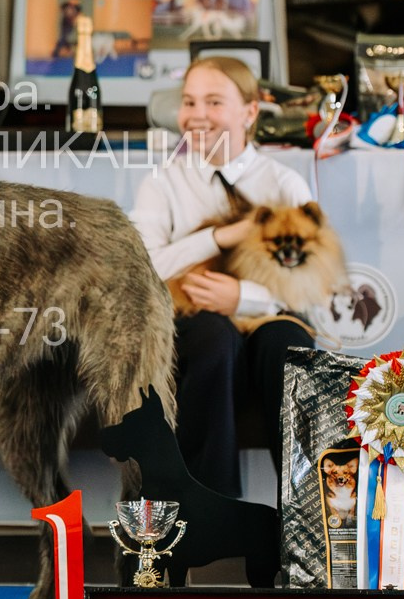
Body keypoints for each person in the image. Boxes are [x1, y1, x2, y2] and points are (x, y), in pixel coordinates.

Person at [127, 56, 313, 496]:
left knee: (287, 344)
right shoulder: (162, 183)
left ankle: (309, 518)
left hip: (267, 316)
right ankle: (210, 510)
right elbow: (145, 270)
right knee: (212, 338)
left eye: (214, 101)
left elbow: (306, 284)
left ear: (250, 111)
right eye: (190, 102)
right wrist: (219, 237)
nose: (198, 115)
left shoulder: (285, 184)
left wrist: (244, 298)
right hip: (193, 321)